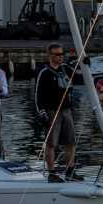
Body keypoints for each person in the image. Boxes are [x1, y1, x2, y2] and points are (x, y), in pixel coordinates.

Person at [34, 43, 77, 182]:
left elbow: (81, 75)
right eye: (57, 54)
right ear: (50, 56)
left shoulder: (66, 69)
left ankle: (70, 170)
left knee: (70, 142)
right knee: (51, 143)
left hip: (66, 110)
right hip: (52, 111)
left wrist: (85, 63)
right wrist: (42, 113)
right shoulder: (44, 72)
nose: (60, 57)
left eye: (61, 54)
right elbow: (37, 96)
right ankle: (51, 173)